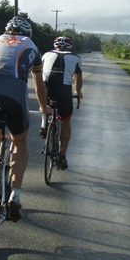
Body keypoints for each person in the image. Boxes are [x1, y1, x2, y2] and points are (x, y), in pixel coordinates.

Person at [0, 16, 52, 222]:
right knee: (20, 142)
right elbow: (39, 85)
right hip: (13, 91)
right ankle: (15, 197)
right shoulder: (31, 45)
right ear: (26, 33)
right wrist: (44, 107)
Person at [41, 36, 83, 170]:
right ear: (70, 47)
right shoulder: (76, 58)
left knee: (46, 107)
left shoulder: (46, 54)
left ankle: (44, 125)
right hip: (63, 89)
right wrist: (77, 91)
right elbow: (78, 77)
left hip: (46, 87)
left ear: (55, 46)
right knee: (66, 121)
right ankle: (62, 156)